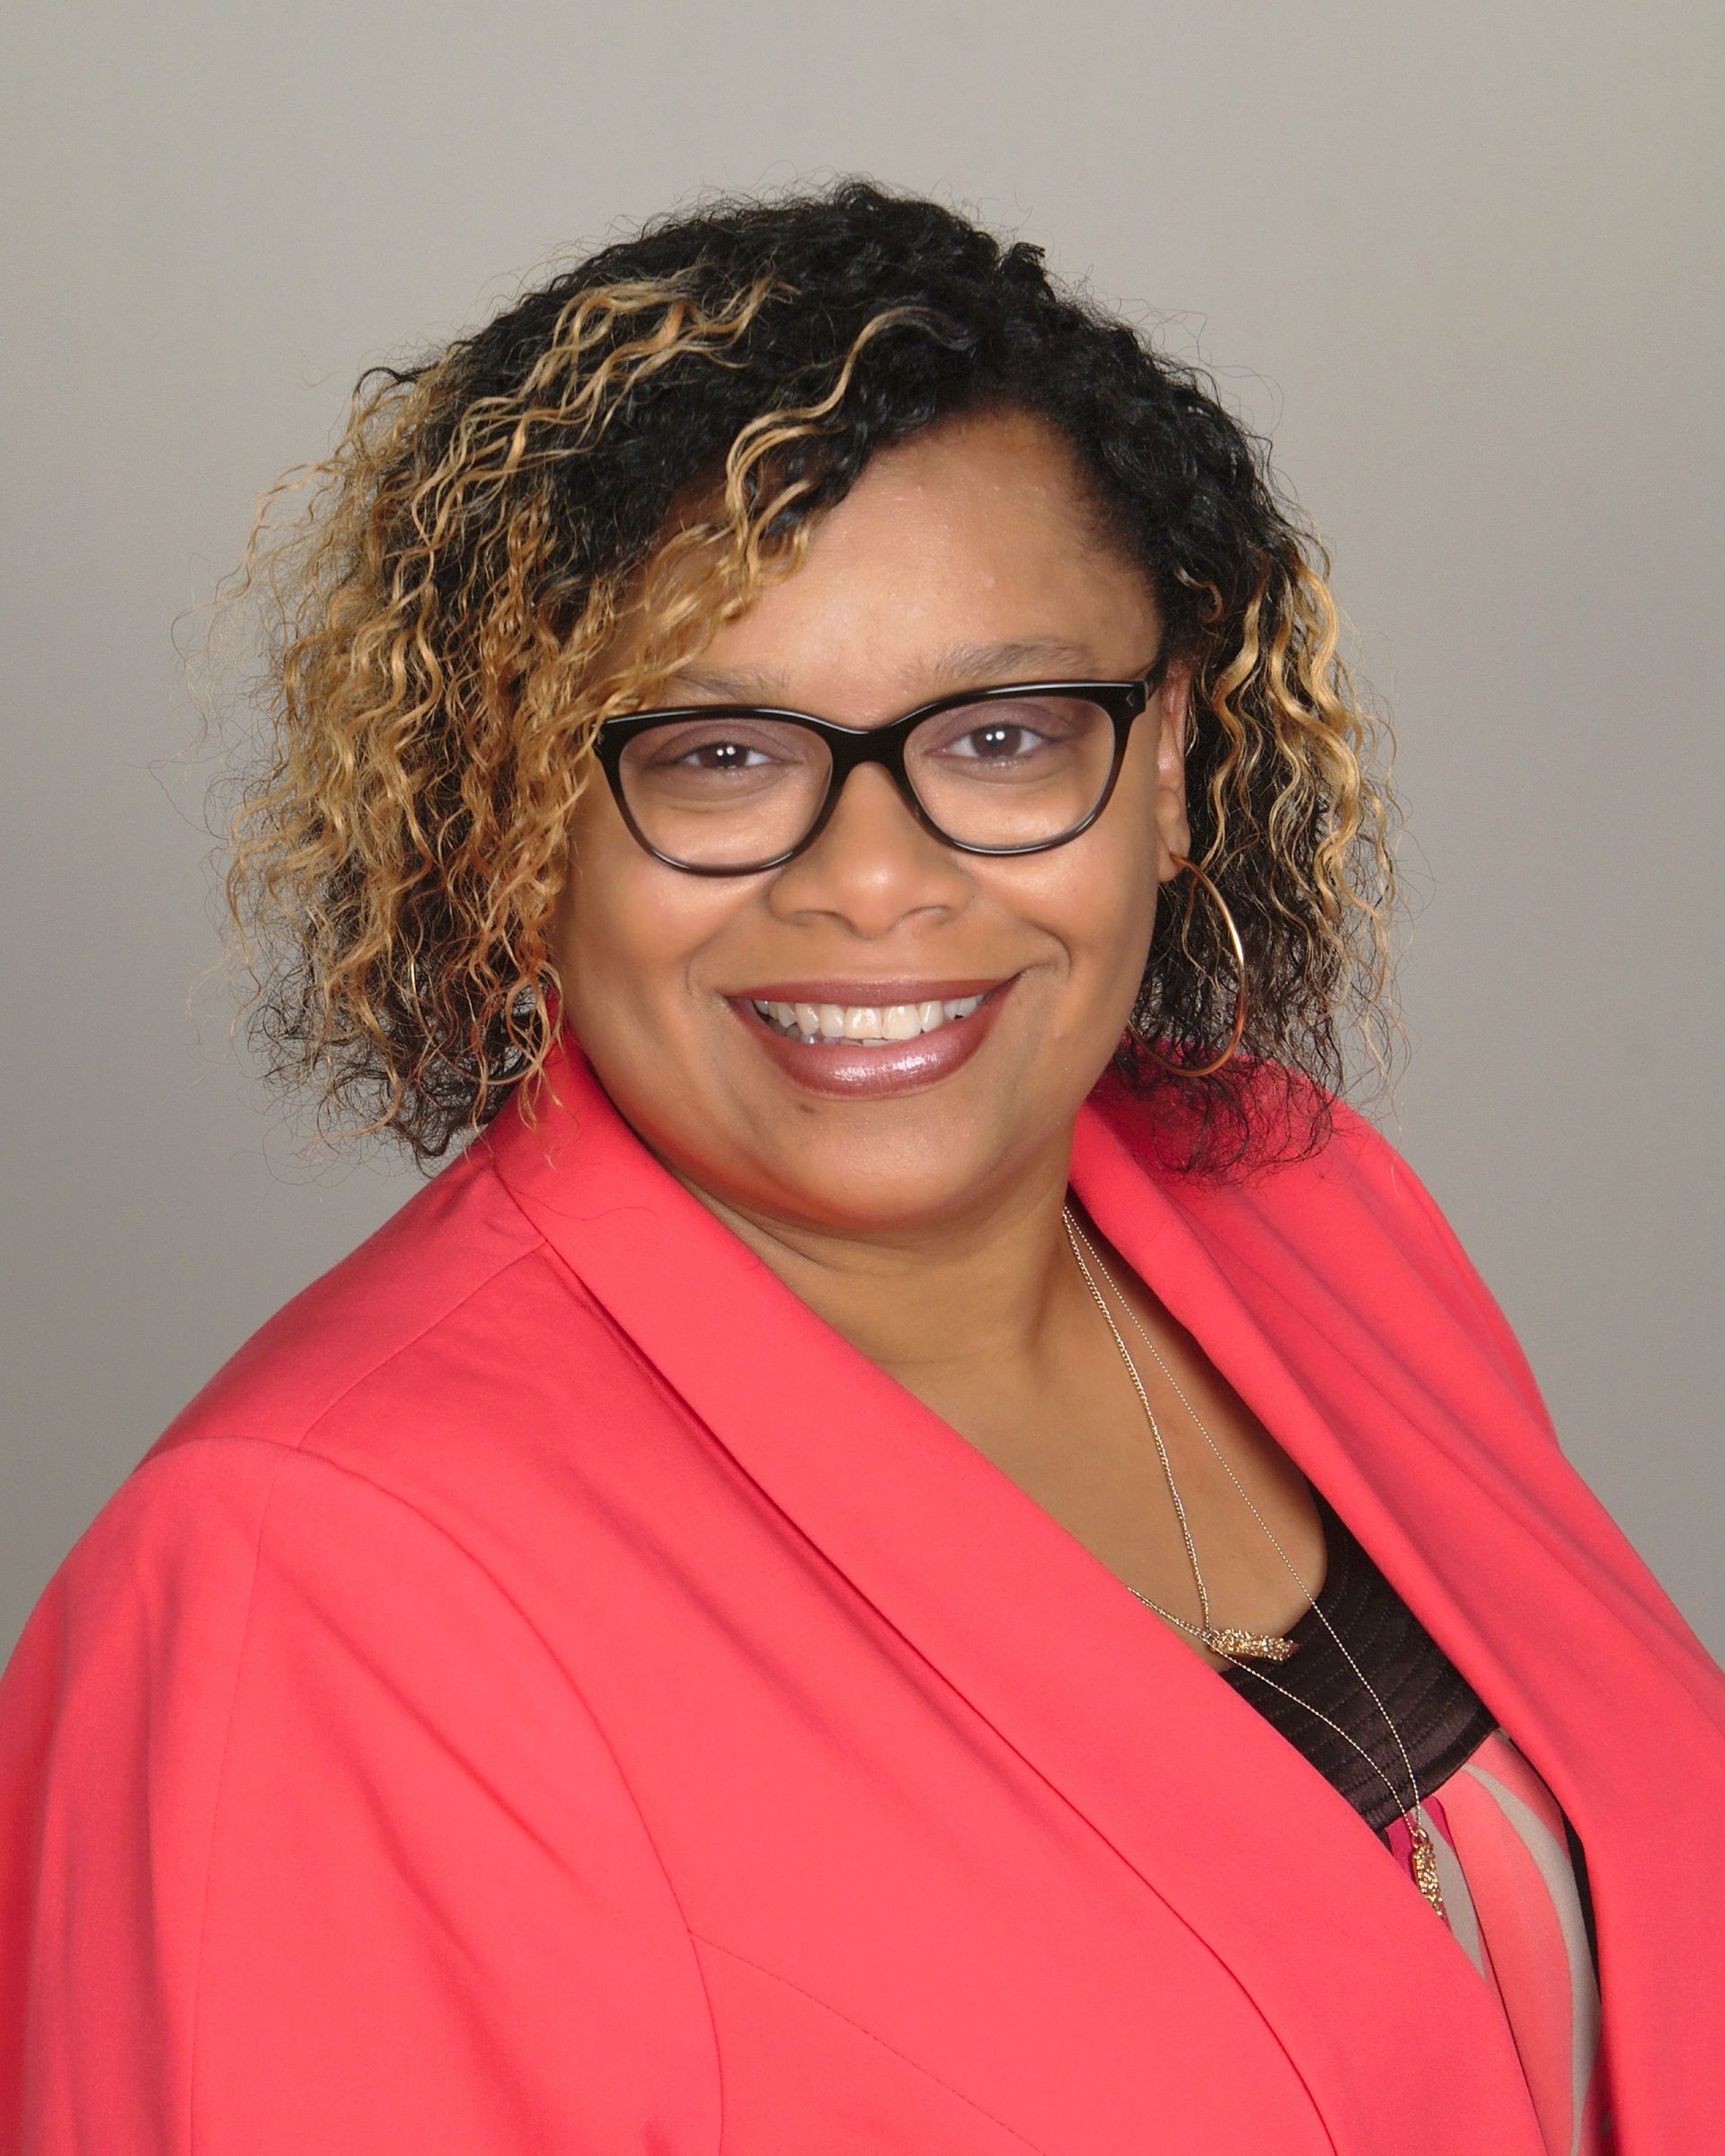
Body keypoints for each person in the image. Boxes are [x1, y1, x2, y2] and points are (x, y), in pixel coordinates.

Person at [3, 179, 1721, 2156]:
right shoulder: (306, 1589)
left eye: (1000, 736)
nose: (877, 880)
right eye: (719, 754)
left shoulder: (1304, 1205)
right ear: (519, 820)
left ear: (1167, 761)